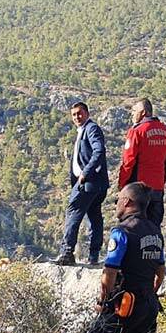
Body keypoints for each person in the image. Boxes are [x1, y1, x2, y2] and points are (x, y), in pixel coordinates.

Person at [79, 182, 166, 333]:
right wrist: (149, 291)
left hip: (124, 306)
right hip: (147, 305)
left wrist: (104, 299)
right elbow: (160, 272)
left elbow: (110, 272)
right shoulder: (156, 232)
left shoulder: (122, 232)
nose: (116, 204)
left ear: (127, 202)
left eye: (118, 200)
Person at [55, 101, 108, 266]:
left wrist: (86, 173)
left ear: (87, 113)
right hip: (96, 184)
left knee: (73, 212)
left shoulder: (91, 128)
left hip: (88, 182)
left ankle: (66, 252)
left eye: (80, 113)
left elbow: (99, 150)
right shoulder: (83, 130)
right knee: (94, 217)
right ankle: (93, 256)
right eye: (74, 115)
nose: (77, 117)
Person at [117, 98, 166, 228]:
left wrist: (122, 186)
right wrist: (161, 181)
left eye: (134, 111)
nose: (132, 114)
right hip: (157, 188)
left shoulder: (137, 131)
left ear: (143, 112)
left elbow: (128, 162)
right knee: (154, 228)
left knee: (132, 228)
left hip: (138, 190)